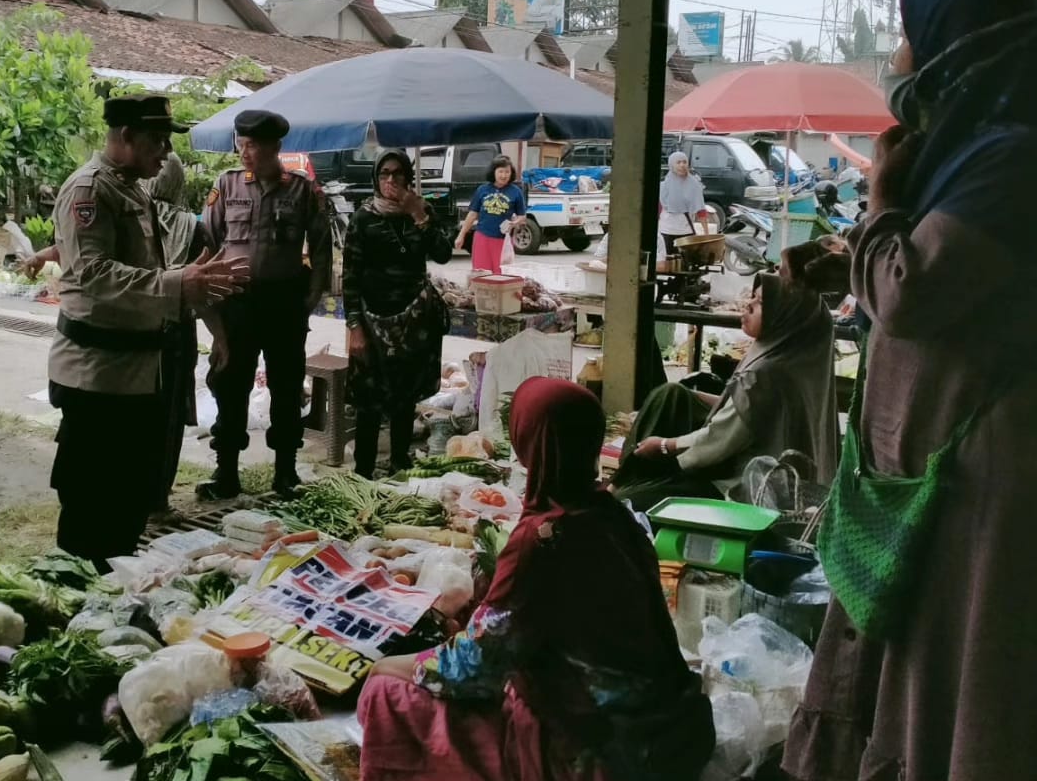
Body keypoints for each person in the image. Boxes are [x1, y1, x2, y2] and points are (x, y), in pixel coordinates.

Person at [784, 0, 1037, 781]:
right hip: (925, 469)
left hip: (974, 477)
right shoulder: (968, 152)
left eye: (908, 36)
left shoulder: (1012, 160)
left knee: (943, 686)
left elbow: (912, 291)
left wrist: (880, 201)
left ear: (955, 48)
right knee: (896, 666)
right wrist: (848, 256)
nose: (898, 58)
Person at [357, 378, 713, 781]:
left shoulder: (543, 541)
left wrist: (396, 666)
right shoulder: (618, 519)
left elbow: (475, 668)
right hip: (672, 729)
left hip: (602, 753)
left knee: (386, 691)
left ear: (531, 443)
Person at [47, 94, 248, 568]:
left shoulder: (133, 188)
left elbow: (146, 271)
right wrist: (179, 282)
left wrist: (194, 292)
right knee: (91, 500)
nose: (165, 152)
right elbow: (93, 274)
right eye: (157, 140)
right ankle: (82, 591)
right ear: (125, 137)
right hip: (98, 375)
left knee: (131, 494)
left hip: (138, 371)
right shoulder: (89, 191)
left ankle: (115, 587)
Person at [611, 273, 836, 508]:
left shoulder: (765, 373)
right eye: (753, 298)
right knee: (672, 394)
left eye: (759, 303)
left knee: (626, 503)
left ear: (784, 317)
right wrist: (694, 396)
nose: (748, 305)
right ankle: (621, 481)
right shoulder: (790, 358)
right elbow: (749, 411)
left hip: (741, 487)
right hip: (746, 462)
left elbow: (720, 438)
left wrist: (665, 445)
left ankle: (618, 488)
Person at [197, 110, 331, 500]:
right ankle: (226, 474)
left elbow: (322, 248)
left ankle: (286, 472)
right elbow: (209, 241)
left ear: (275, 147)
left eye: (253, 145)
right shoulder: (227, 185)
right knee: (230, 383)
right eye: (242, 143)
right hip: (237, 302)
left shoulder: (302, 190)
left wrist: (311, 296)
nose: (245, 152)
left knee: (286, 387)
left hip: (284, 301)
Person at [342, 150, 452, 477]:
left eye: (398, 174)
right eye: (384, 174)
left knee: (404, 398)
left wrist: (419, 214)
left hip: (413, 321)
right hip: (372, 320)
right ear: (375, 179)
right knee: (369, 400)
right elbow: (350, 277)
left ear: (408, 177)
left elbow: (443, 254)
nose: (391, 181)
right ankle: (363, 470)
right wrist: (354, 327)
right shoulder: (363, 219)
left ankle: (399, 464)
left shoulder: (421, 212)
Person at [147, 153, 207, 517]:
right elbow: (207, 294)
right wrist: (222, 339)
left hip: (138, 329)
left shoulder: (134, 217)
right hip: (177, 331)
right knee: (169, 418)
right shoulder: (193, 228)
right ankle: (158, 499)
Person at [455, 155, 525, 275]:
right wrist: (461, 235)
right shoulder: (482, 190)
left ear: (511, 173)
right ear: (494, 172)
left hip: (502, 241)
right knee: (481, 274)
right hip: (482, 237)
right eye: (500, 171)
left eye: (507, 172)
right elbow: (472, 214)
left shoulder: (516, 191)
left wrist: (514, 223)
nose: (504, 175)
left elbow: (522, 216)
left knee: (501, 275)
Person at [658, 151, 707, 254]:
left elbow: (701, 210)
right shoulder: (663, 186)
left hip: (686, 233)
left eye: (684, 162)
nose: (682, 165)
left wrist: (706, 233)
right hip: (665, 232)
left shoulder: (694, 185)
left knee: (685, 265)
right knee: (667, 265)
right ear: (671, 165)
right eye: (678, 162)